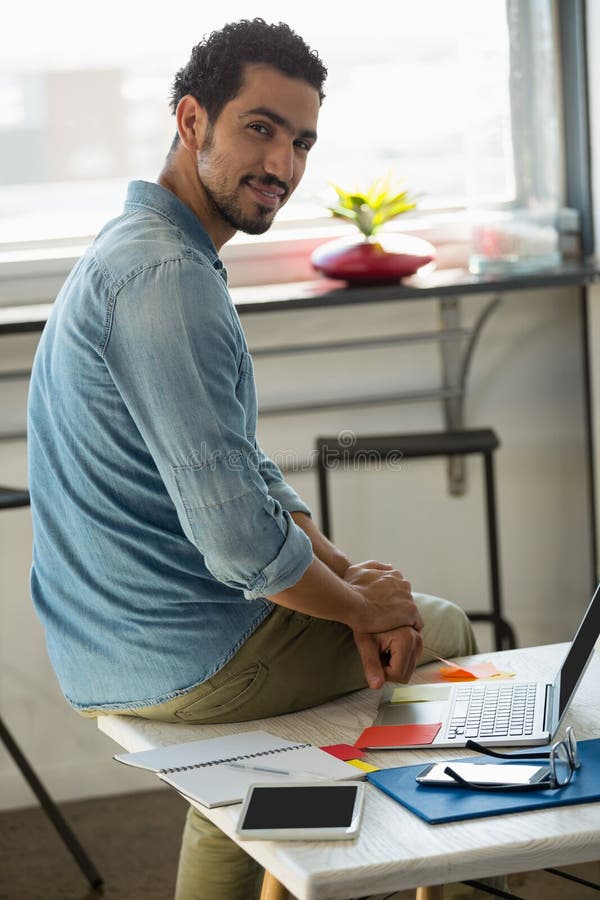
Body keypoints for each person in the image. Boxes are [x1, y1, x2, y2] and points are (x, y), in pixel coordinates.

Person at [27, 18, 476, 900]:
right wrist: (360, 610)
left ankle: (301, 839)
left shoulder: (141, 252)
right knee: (443, 630)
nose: (283, 165)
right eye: (259, 129)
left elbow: (247, 472)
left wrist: (351, 577)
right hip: (177, 652)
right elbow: (242, 550)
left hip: (110, 645)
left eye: (301, 141)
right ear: (193, 121)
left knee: (261, 760)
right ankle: (427, 876)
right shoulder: (168, 279)